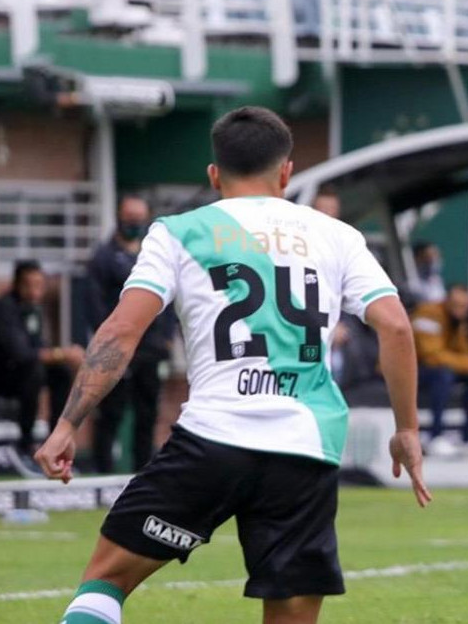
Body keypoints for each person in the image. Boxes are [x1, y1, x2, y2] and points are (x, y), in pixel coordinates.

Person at [33, 107, 430, 624]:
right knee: (289, 611)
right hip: (305, 449)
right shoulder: (337, 236)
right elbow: (397, 328)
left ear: (214, 175)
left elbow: (120, 332)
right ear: (286, 171)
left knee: (107, 579)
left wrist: (67, 423)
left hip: (211, 439)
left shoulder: (178, 232)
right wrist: (407, 429)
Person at [0, 260, 83, 475]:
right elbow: (21, 354)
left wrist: (60, 358)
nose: (34, 291)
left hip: (7, 372)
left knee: (60, 372)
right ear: (17, 284)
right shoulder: (3, 308)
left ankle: (56, 443)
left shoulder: (33, 311)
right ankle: (25, 447)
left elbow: (38, 348)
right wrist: (63, 353)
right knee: (33, 371)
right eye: (29, 285)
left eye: (39, 285)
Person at [85, 194, 176, 474]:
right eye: (130, 218)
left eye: (139, 219)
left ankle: (143, 472)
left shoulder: (152, 254)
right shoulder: (102, 258)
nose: (134, 224)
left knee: (147, 413)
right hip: (119, 347)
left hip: (150, 348)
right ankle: (103, 472)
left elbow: (169, 298)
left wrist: (168, 336)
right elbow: (94, 303)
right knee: (111, 412)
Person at [412, 284, 468, 457]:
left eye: (465, 307)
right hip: (410, 368)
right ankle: (434, 436)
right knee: (443, 375)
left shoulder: (458, 322)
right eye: (457, 305)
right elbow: (432, 356)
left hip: (437, 369)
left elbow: (465, 352)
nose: (461, 311)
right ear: (447, 301)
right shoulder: (427, 314)